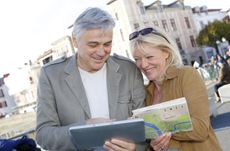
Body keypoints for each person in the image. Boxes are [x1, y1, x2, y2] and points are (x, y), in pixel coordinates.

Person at [36, 7, 146, 151]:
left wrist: (135, 147)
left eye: (107, 44)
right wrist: (85, 129)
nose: (101, 52)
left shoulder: (129, 69)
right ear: (75, 41)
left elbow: (145, 126)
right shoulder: (50, 74)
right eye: (93, 45)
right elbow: (44, 135)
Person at [129, 26, 222, 151]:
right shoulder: (145, 92)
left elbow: (201, 129)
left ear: (166, 52)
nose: (143, 64)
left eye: (149, 57)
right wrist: (152, 146)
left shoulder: (187, 75)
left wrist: (157, 125)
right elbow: (152, 141)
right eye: (137, 59)